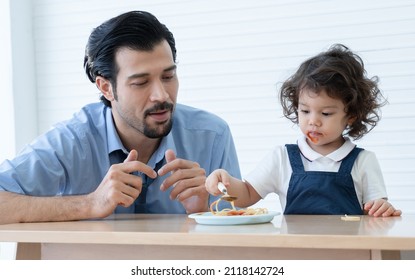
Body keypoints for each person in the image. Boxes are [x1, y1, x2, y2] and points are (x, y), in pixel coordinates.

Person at [0, 11, 241, 224]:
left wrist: (205, 212)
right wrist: (90, 204)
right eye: (140, 82)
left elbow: (244, 233)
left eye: (168, 77)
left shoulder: (213, 136)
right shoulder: (72, 141)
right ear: (106, 88)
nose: (161, 95)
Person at [206, 44, 401, 217]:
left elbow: (377, 209)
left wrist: (381, 208)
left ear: (351, 115)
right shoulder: (282, 157)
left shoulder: (363, 161)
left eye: (325, 113)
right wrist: (225, 181)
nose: (313, 121)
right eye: (305, 111)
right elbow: (247, 194)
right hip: (295, 253)